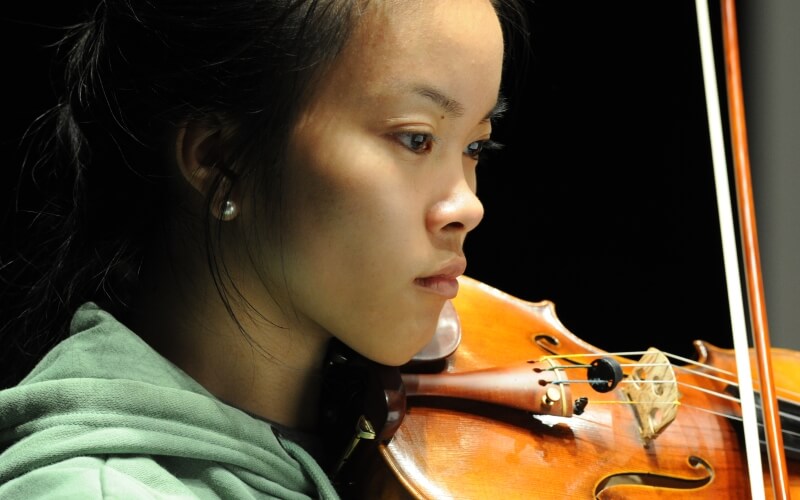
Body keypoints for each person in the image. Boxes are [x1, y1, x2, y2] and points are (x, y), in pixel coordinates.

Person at [0, 0, 528, 497]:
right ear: (219, 158)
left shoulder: (366, 440)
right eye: (417, 139)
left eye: (474, 146)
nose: (468, 206)